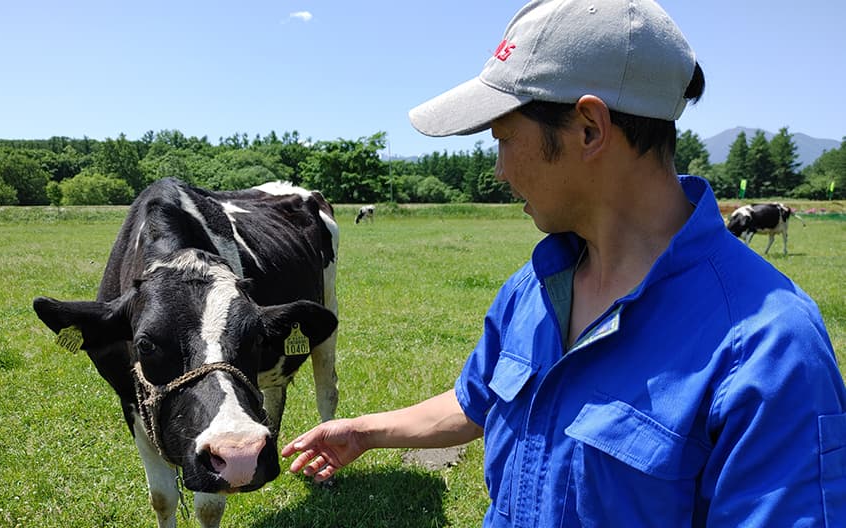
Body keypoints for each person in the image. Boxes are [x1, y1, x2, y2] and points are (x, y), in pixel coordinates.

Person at [281, 0, 846, 525]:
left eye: (503, 138)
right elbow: (478, 399)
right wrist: (365, 432)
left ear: (589, 128)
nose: (499, 171)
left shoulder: (769, 350)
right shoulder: (533, 287)